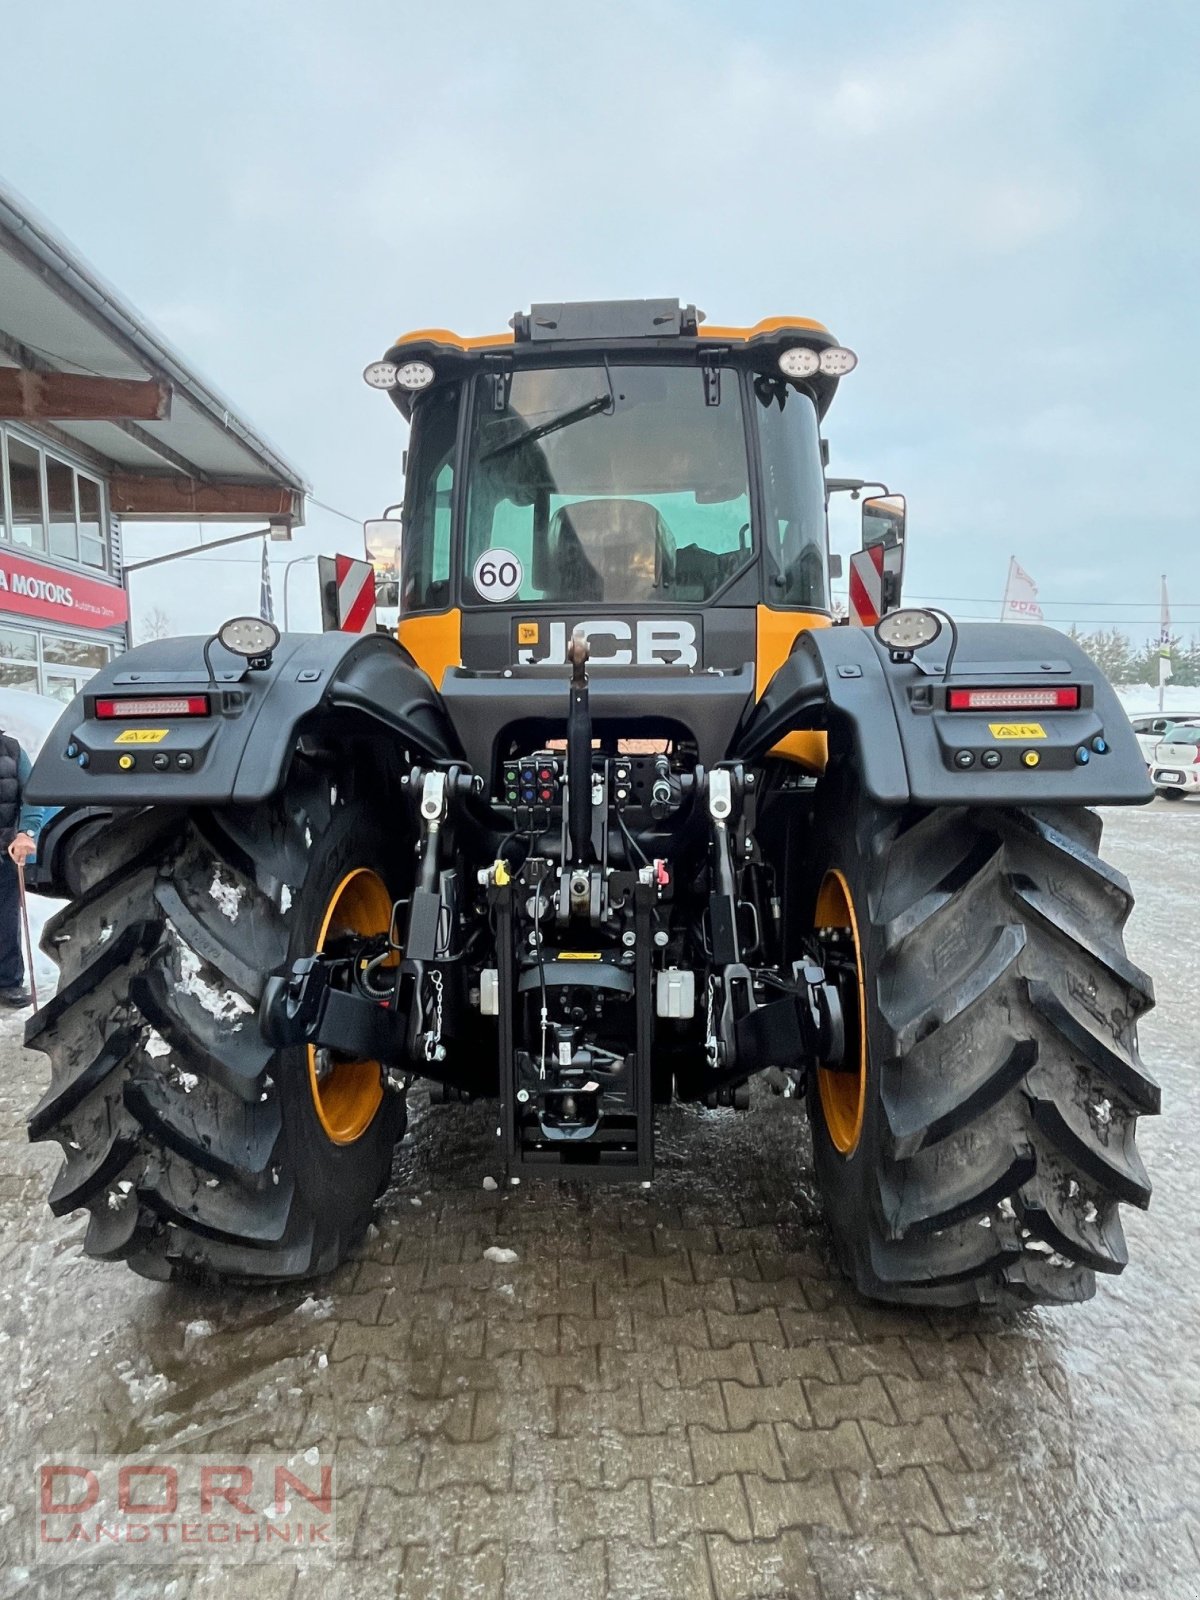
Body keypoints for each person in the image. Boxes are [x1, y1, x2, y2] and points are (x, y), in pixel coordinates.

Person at [0, 730, 50, 1009]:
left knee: (5, 922)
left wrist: (26, 833)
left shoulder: (12, 750)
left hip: (3, 850)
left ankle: (7, 982)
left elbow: (31, 794)